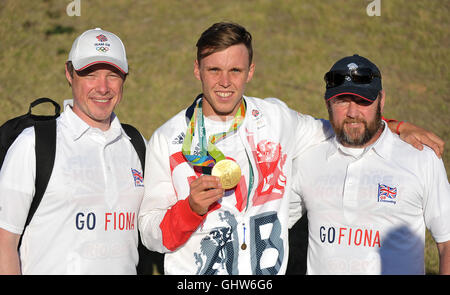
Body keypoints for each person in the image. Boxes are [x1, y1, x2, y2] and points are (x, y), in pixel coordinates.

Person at [138, 22, 444, 275]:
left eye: (236, 71)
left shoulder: (276, 119)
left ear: (251, 71)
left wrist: (394, 125)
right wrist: (189, 210)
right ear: (197, 70)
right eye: (214, 70)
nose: (225, 82)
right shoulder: (168, 139)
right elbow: (151, 235)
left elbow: (342, 124)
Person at [0, 28, 146, 274]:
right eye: (90, 74)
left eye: (113, 75)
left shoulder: (137, 142)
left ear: (125, 79)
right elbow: (4, 243)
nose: (103, 88)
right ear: (69, 74)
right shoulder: (33, 144)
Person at [290, 54, 450, 275]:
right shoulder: (308, 157)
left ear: (381, 100)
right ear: (328, 102)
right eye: (342, 101)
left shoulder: (421, 158)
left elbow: (447, 241)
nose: (353, 112)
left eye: (363, 100)